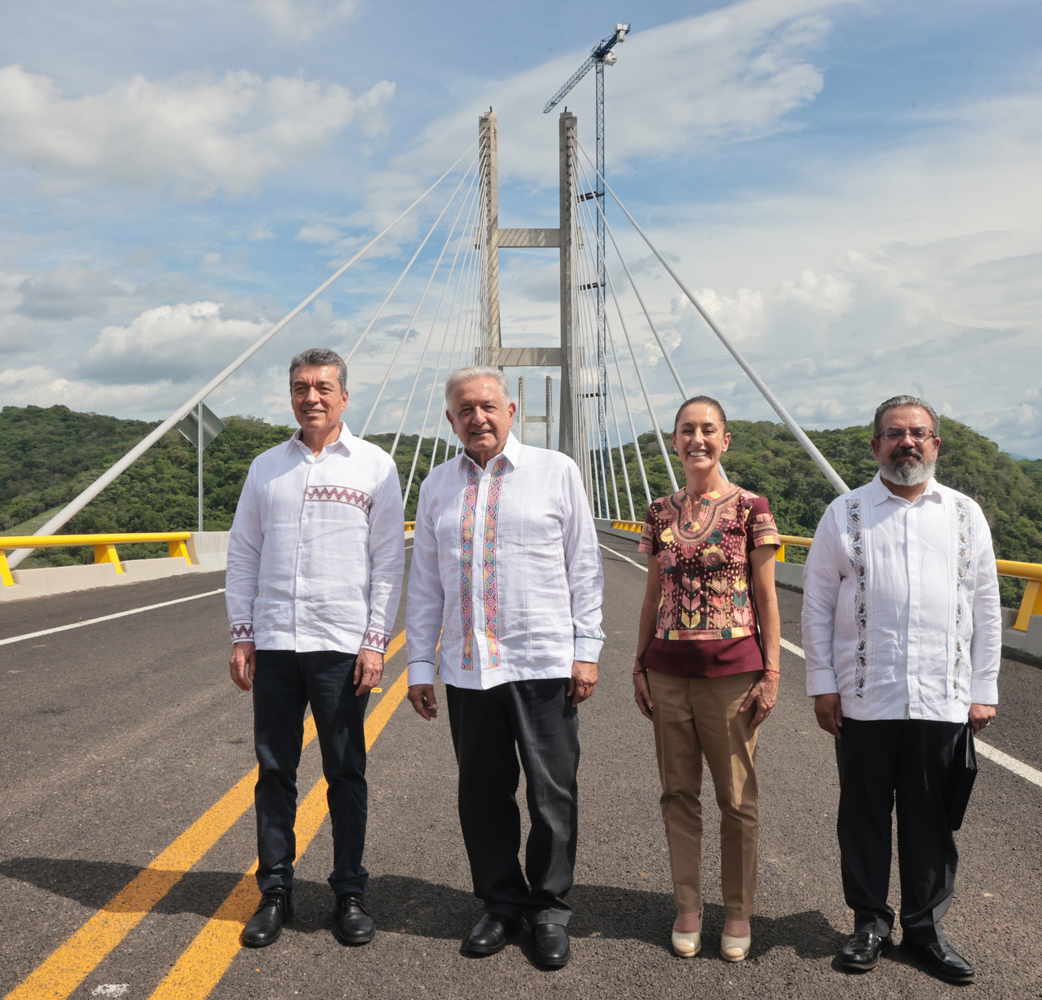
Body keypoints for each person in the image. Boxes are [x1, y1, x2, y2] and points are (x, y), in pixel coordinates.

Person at [404, 366, 604, 969]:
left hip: (542, 662)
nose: (478, 418)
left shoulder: (555, 471)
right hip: (469, 669)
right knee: (482, 795)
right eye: (465, 410)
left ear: (511, 410)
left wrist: (586, 650)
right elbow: (425, 585)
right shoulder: (437, 484)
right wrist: (419, 663)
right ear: (450, 421)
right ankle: (498, 902)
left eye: (488, 406)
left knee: (551, 795)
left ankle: (547, 909)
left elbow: (584, 567)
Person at [801, 394, 1000, 983]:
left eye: (918, 433)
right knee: (862, 815)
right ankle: (868, 923)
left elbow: (986, 608)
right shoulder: (845, 513)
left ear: (936, 443)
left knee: (931, 819)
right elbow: (817, 605)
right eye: (894, 434)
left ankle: (924, 930)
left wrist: (982, 688)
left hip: (941, 697)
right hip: (866, 694)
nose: (906, 443)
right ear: (876, 445)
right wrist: (822, 685)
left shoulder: (966, 514)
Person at [225, 347, 405, 949]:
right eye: (301, 387)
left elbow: (387, 562)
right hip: (275, 641)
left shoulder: (375, 466)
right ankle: (275, 891)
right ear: (291, 395)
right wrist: (242, 634)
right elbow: (244, 552)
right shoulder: (265, 468)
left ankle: (349, 892)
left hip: (339, 644)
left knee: (345, 772)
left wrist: (376, 643)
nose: (312, 397)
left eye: (324, 387)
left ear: (344, 396)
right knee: (274, 772)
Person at [631, 396, 782, 962]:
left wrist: (771, 673)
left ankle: (738, 913)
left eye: (708, 430)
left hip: (732, 676)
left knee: (737, 799)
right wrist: (638, 664)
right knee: (677, 794)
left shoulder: (751, 508)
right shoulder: (658, 512)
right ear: (674, 441)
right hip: (668, 672)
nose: (698, 439)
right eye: (687, 430)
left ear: (725, 440)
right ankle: (689, 907)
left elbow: (767, 598)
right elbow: (651, 595)